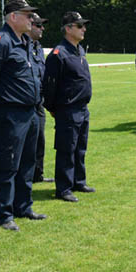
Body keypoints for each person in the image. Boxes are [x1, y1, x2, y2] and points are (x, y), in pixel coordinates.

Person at [0, 0, 46, 231]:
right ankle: (5, 213)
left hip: (31, 112)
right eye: (27, 15)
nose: (32, 19)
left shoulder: (26, 42)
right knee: (7, 164)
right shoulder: (1, 42)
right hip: (9, 114)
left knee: (27, 162)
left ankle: (23, 206)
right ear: (12, 17)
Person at [43, 12, 95, 203]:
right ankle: (63, 187)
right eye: (79, 26)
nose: (84, 29)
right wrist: (53, 108)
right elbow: (50, 85)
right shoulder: (59, 54)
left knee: (80, 148)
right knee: (66, 149)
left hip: (82, 108)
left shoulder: (79, 50)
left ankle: (78, 181)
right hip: (68, 109)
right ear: (68, 29)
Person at [27, 12, 54, 184]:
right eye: (38, 25)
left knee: (40, 140)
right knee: (27, 142)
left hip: (39, 101)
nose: (42, 28)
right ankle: (26, 175)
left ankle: (38, 173)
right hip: (27, 102)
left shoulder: (37, 46)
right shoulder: (23, 46)